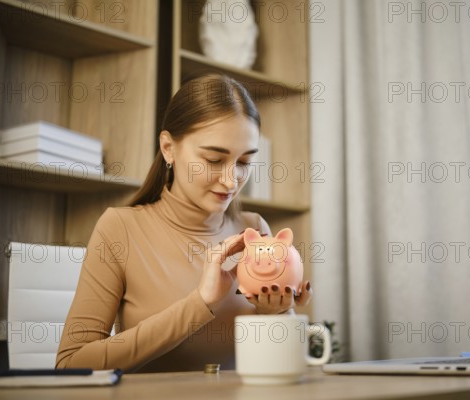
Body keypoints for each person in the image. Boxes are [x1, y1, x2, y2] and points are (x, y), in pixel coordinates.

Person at [56, 73, 312, 373]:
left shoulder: (254, 231)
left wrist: (279, 314)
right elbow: (71, 364)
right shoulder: (120, 228)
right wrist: (200, 303)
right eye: (214, 160)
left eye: (244, 162)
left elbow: (278, 368)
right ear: (168, 148)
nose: (232, 181)